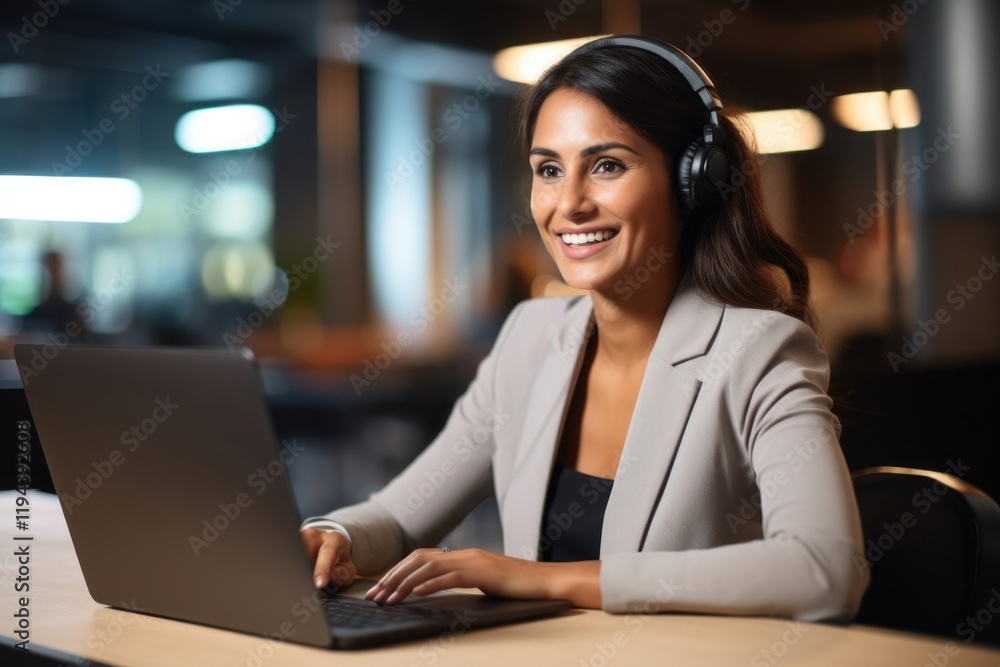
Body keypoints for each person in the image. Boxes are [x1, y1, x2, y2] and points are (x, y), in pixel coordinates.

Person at [300, 35, 869, 622]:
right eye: (548, 169)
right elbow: (401, 515)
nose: (568, 203)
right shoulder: (530, 335)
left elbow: (824, 571)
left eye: (607, 166)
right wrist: (332, 534)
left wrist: (548, 580)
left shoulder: (758, 352)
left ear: (692, 180)